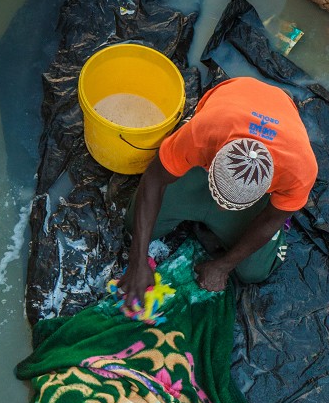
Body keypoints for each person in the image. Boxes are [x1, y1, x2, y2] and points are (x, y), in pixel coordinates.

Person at [120, 76, 318, 304]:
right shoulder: (203, 132)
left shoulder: (300, 170)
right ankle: (208, 207)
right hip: (229, 108)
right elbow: (154, 179)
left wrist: (224, 265)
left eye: (230, 204)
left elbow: (272, 219)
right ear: (213, 161)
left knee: (253, 272)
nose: (222, 207)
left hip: (265, 146)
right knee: (135, 223)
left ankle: (220, 220)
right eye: (220, 196)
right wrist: (137, 259)